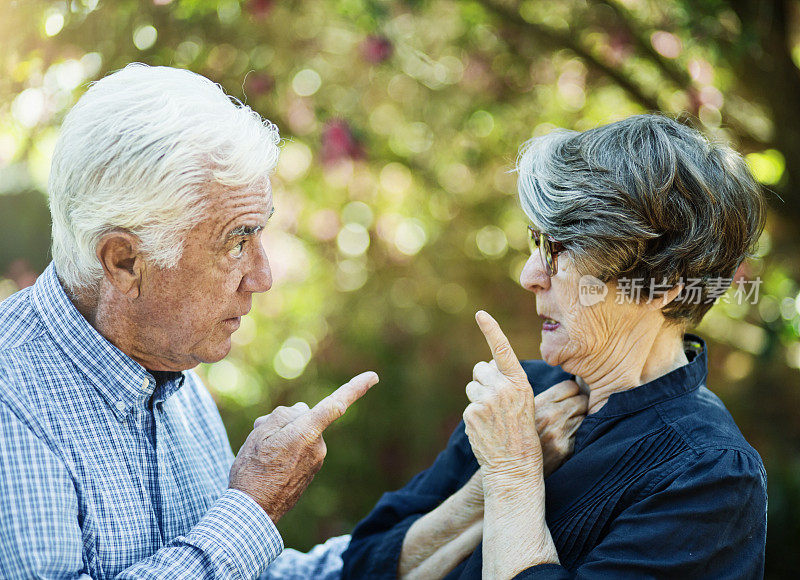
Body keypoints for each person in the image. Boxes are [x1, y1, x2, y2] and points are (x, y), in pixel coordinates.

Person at [342, 114, 768, 579]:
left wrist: (515, 475)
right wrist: (486, 486)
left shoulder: (709, 473)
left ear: (661, 282)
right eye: (537, 241)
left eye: (560, 248)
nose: (530, 275)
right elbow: (362, 565)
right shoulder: (523, 395)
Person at [0, 63, 382, 579]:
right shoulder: (12, 400)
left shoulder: (170, 362)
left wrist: (460, 515)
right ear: (124, 263)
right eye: (237, 241)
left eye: (261, 234)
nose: (263, 276)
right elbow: (232, 547)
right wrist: (253, 511)